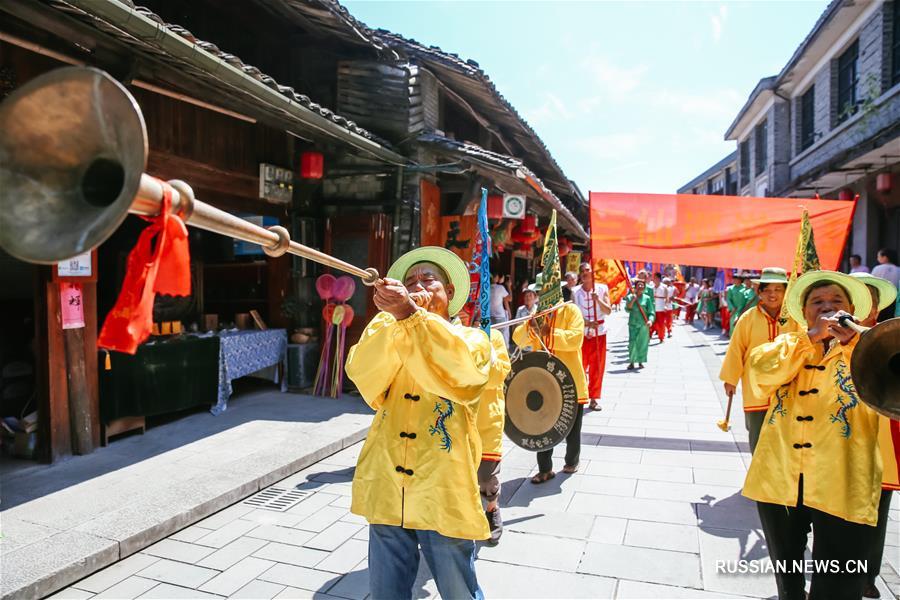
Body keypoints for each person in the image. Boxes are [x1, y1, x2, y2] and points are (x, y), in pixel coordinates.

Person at [345, 246, 492, 600]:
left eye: (429, 279)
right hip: (388, 480)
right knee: (386, 591)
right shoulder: (388, 327)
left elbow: (464, 376)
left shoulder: (474, 339)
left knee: (458, 588)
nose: (418, 286)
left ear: (450, 292)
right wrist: (398, 320)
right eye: (410, 281)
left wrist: (413, 316)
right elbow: (362, 373)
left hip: (442, 484)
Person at [743, 270, 879, 600]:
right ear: (804, 312)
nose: (827, 308)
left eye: (837, 301)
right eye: (817, 302)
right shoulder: (789, 344)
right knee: (787, 568)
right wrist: (809, 340)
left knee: (839, 577)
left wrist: (852, 342)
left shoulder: (869, 346)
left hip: (843, 479)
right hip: (782, 475)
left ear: (852, 310)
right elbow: (759, 373)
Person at [849, 273, 899, 599]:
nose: (866, 304)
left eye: (871, 298)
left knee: (877, 512)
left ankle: (867, 575)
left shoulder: (891, 337)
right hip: (841, 439)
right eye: (859, 297)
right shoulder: (830, 336)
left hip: (881, 441)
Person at [512, 274, 587, 484]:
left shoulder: (571, 310)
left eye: (542, 292)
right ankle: (545, 469)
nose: (539, 295)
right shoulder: (538, 312)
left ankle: (572, 461)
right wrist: (531, 327)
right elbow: (518, 338)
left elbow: (575, 339)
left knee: (572, 427)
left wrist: (548, 331)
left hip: (568, 379)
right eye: (538, 292)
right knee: (542, 426)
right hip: (544, 382)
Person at [718, 268, 798, 452]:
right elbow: (736, 349)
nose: (773, 295)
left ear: (785, 292)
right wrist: (731, 379)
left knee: (785, 441)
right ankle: (757, 477)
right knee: (758, 438)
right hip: (755, 391)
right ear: (759, 292)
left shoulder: (794, 319)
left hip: (786, 389)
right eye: (767, 290)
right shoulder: (748, 318)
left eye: (778, 290)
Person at [475, 327, 512, 546]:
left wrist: (487, 350)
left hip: (488, 417)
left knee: (487, 477)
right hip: (460, 418)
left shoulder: (494, 336)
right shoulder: (453, 332)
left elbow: (498, 376)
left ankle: (492, 509)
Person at [573, 261, 611, 410]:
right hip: (582, 333)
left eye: (587, 270)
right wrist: (587, 323)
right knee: (580, 366)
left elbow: (608, 311)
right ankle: (581, 396)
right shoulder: (575, 291)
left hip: (599, 333)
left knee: (597, 366)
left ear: (592, 273)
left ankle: (594, 398)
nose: (584, 273)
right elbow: (574, 314)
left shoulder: (602, 289)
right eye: (582, 270)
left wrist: (598, 300)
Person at [625, 279, 655, 370]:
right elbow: (627, 309)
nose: (641, 287)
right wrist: (633, 300)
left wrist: (650, 320)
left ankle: (641, 361)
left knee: (642, 343)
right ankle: (632, 362)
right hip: (633, 324)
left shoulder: (647, 298)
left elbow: (651, 311)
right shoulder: (630, 297)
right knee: (632, 343)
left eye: (642, 285)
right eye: (639, 285)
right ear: (635, 286)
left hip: (643, 324)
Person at [490, 274, 511, 346]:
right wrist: (509, 286)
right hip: (500, 316)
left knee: (491, 338)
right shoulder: (500, 288)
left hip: (490, 315)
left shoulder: (486, 287)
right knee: (501, 337)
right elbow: (509, 299)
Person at [652, 272, 668, 343]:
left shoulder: (664, 287)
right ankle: (649, 336)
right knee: (652, 322)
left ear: (658, 278)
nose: (654, 279)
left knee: (661, 323)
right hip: (652, 307)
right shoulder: (651, 287)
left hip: (661, 307)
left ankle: (661, 337)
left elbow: (666, 297)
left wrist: (665, 305)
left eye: (655, 278)